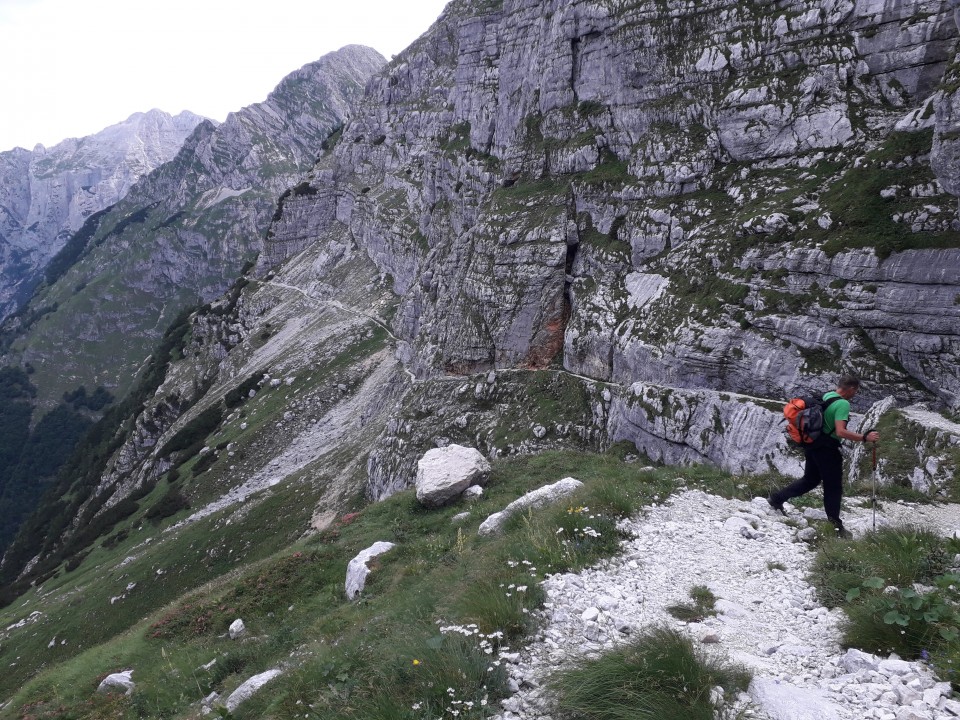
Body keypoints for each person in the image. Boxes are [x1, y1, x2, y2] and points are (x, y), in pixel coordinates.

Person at [768, 376, 880, 538]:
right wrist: (864, 438)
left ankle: (776, 499)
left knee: (810, 480)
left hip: (812, 444)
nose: (854, 395)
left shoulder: (827, 396)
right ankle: (836, 527)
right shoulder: (843, 403)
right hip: (827, 449)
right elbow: (841, 431)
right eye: (855, 391)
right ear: (852, 389)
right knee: (833, 486)